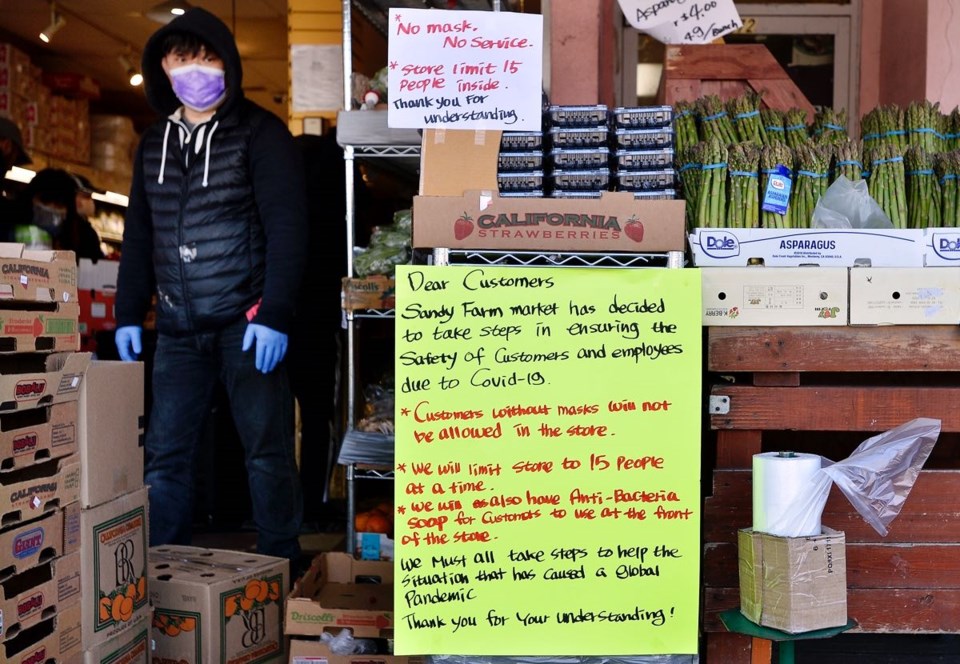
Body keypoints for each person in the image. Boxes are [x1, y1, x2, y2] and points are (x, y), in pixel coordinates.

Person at [114, 8, 308, 567]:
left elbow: (288, 227)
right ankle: (160, 575)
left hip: (246, 324)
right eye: (182, 59)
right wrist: (130, 311)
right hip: (176, 329)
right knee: (166, 456)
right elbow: (139, 233)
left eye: (207, 57)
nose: (195, 70)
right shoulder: (153, 144)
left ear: (228, 62)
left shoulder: (261, 133)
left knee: (266, 454)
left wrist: (274, 312)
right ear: (163, 68)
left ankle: (283, 571)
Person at [11, 168, 106, 259]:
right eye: (46, 201)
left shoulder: (80, 234)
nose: (53, 209)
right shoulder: (10, 227)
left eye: (60, 205)